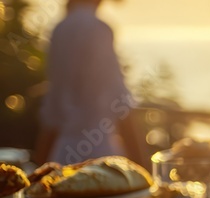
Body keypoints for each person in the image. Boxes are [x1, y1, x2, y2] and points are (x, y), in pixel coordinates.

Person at [33, 0, 146, 167]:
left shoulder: (60, 30)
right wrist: (145, 170)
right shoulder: (99, 29)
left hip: (61, 156)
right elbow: (120, 101)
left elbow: (53, 111)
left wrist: (38, 168)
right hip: (102, 157)